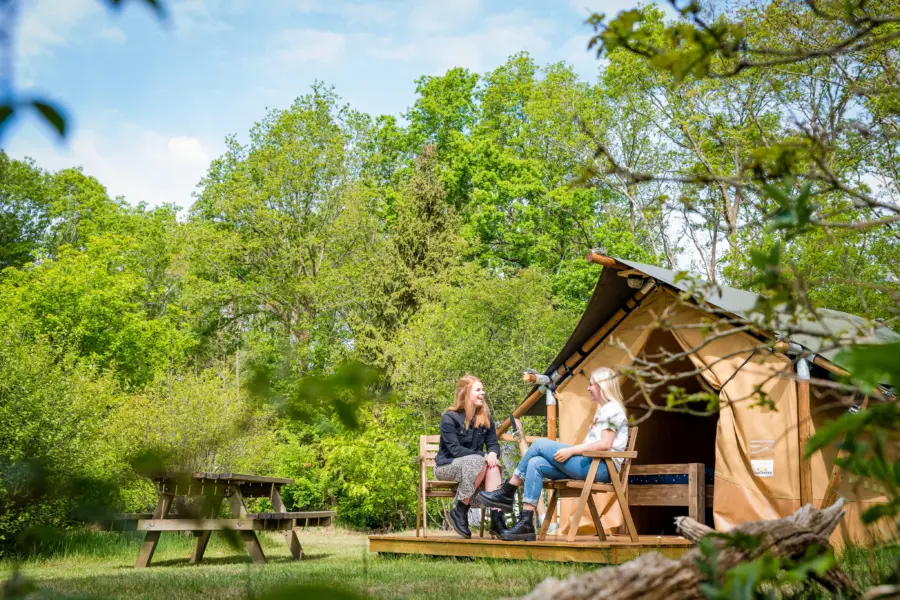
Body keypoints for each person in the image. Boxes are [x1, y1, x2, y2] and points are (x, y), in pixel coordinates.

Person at [478, 366, 629, 541]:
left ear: (603, 386)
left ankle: (508, 490)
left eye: (592, 384)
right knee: (535, 463)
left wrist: (571, 451)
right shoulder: (604, 410)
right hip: (590, 464)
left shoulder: (612, 409)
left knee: (540, 444)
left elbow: (605, 444)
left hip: (601, 468)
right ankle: (526, 522)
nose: (588, 388)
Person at [435, 375, 507, 539]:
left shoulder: (485, 418)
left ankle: (497, 519)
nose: (483, 393)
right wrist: (484, 455)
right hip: (447, 467)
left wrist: (493, 453)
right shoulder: (449, 418)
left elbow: (492, 444)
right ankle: (460, 509)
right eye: (478, 390)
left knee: (494, 466)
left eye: (483, 389)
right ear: (465, 393)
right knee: (479, 460)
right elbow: (455, 450)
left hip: (476, 468)